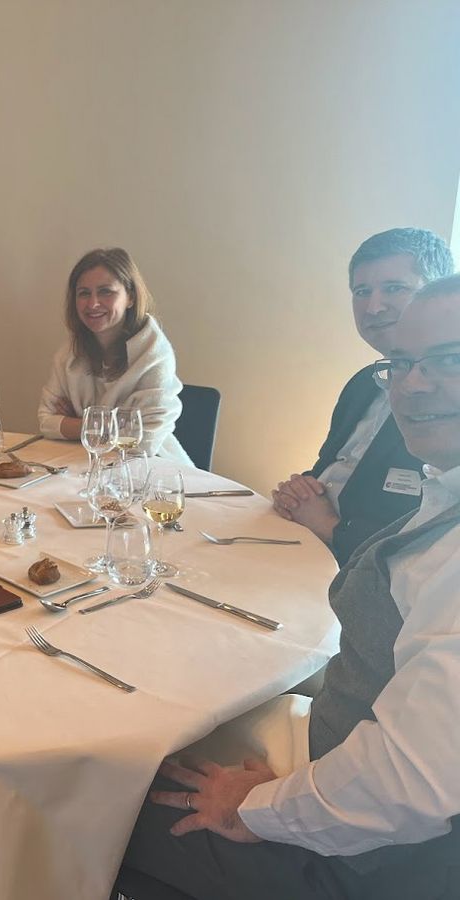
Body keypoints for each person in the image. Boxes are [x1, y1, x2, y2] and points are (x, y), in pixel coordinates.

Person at [115, 277, 460, 900]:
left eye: (447, 359)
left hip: (366, 863)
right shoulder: (445, 491)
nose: (412, 384)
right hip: (338, 751)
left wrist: (256, 808)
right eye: (401, 364)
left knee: (101, 805)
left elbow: (407, 784)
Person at [271, 228, 454, 565]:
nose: (373, 307)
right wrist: (298, 491)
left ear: (435, 293)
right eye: (362, 291)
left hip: (361, 572)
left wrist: (329, 526)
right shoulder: (363, 384)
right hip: (305, 544)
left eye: (394, 288)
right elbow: (330, 470)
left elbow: (424, 540)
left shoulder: (442, 399)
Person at [37, 248, 192, 464]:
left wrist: (80, 422)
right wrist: (112, 426)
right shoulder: (70, 353)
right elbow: (46, 422)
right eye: (84, 293)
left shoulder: (155, 353)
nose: (93, 304)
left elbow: (144, 442)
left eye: (106, 291)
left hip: (152, 469)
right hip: (88, 465)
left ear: (130, 297)